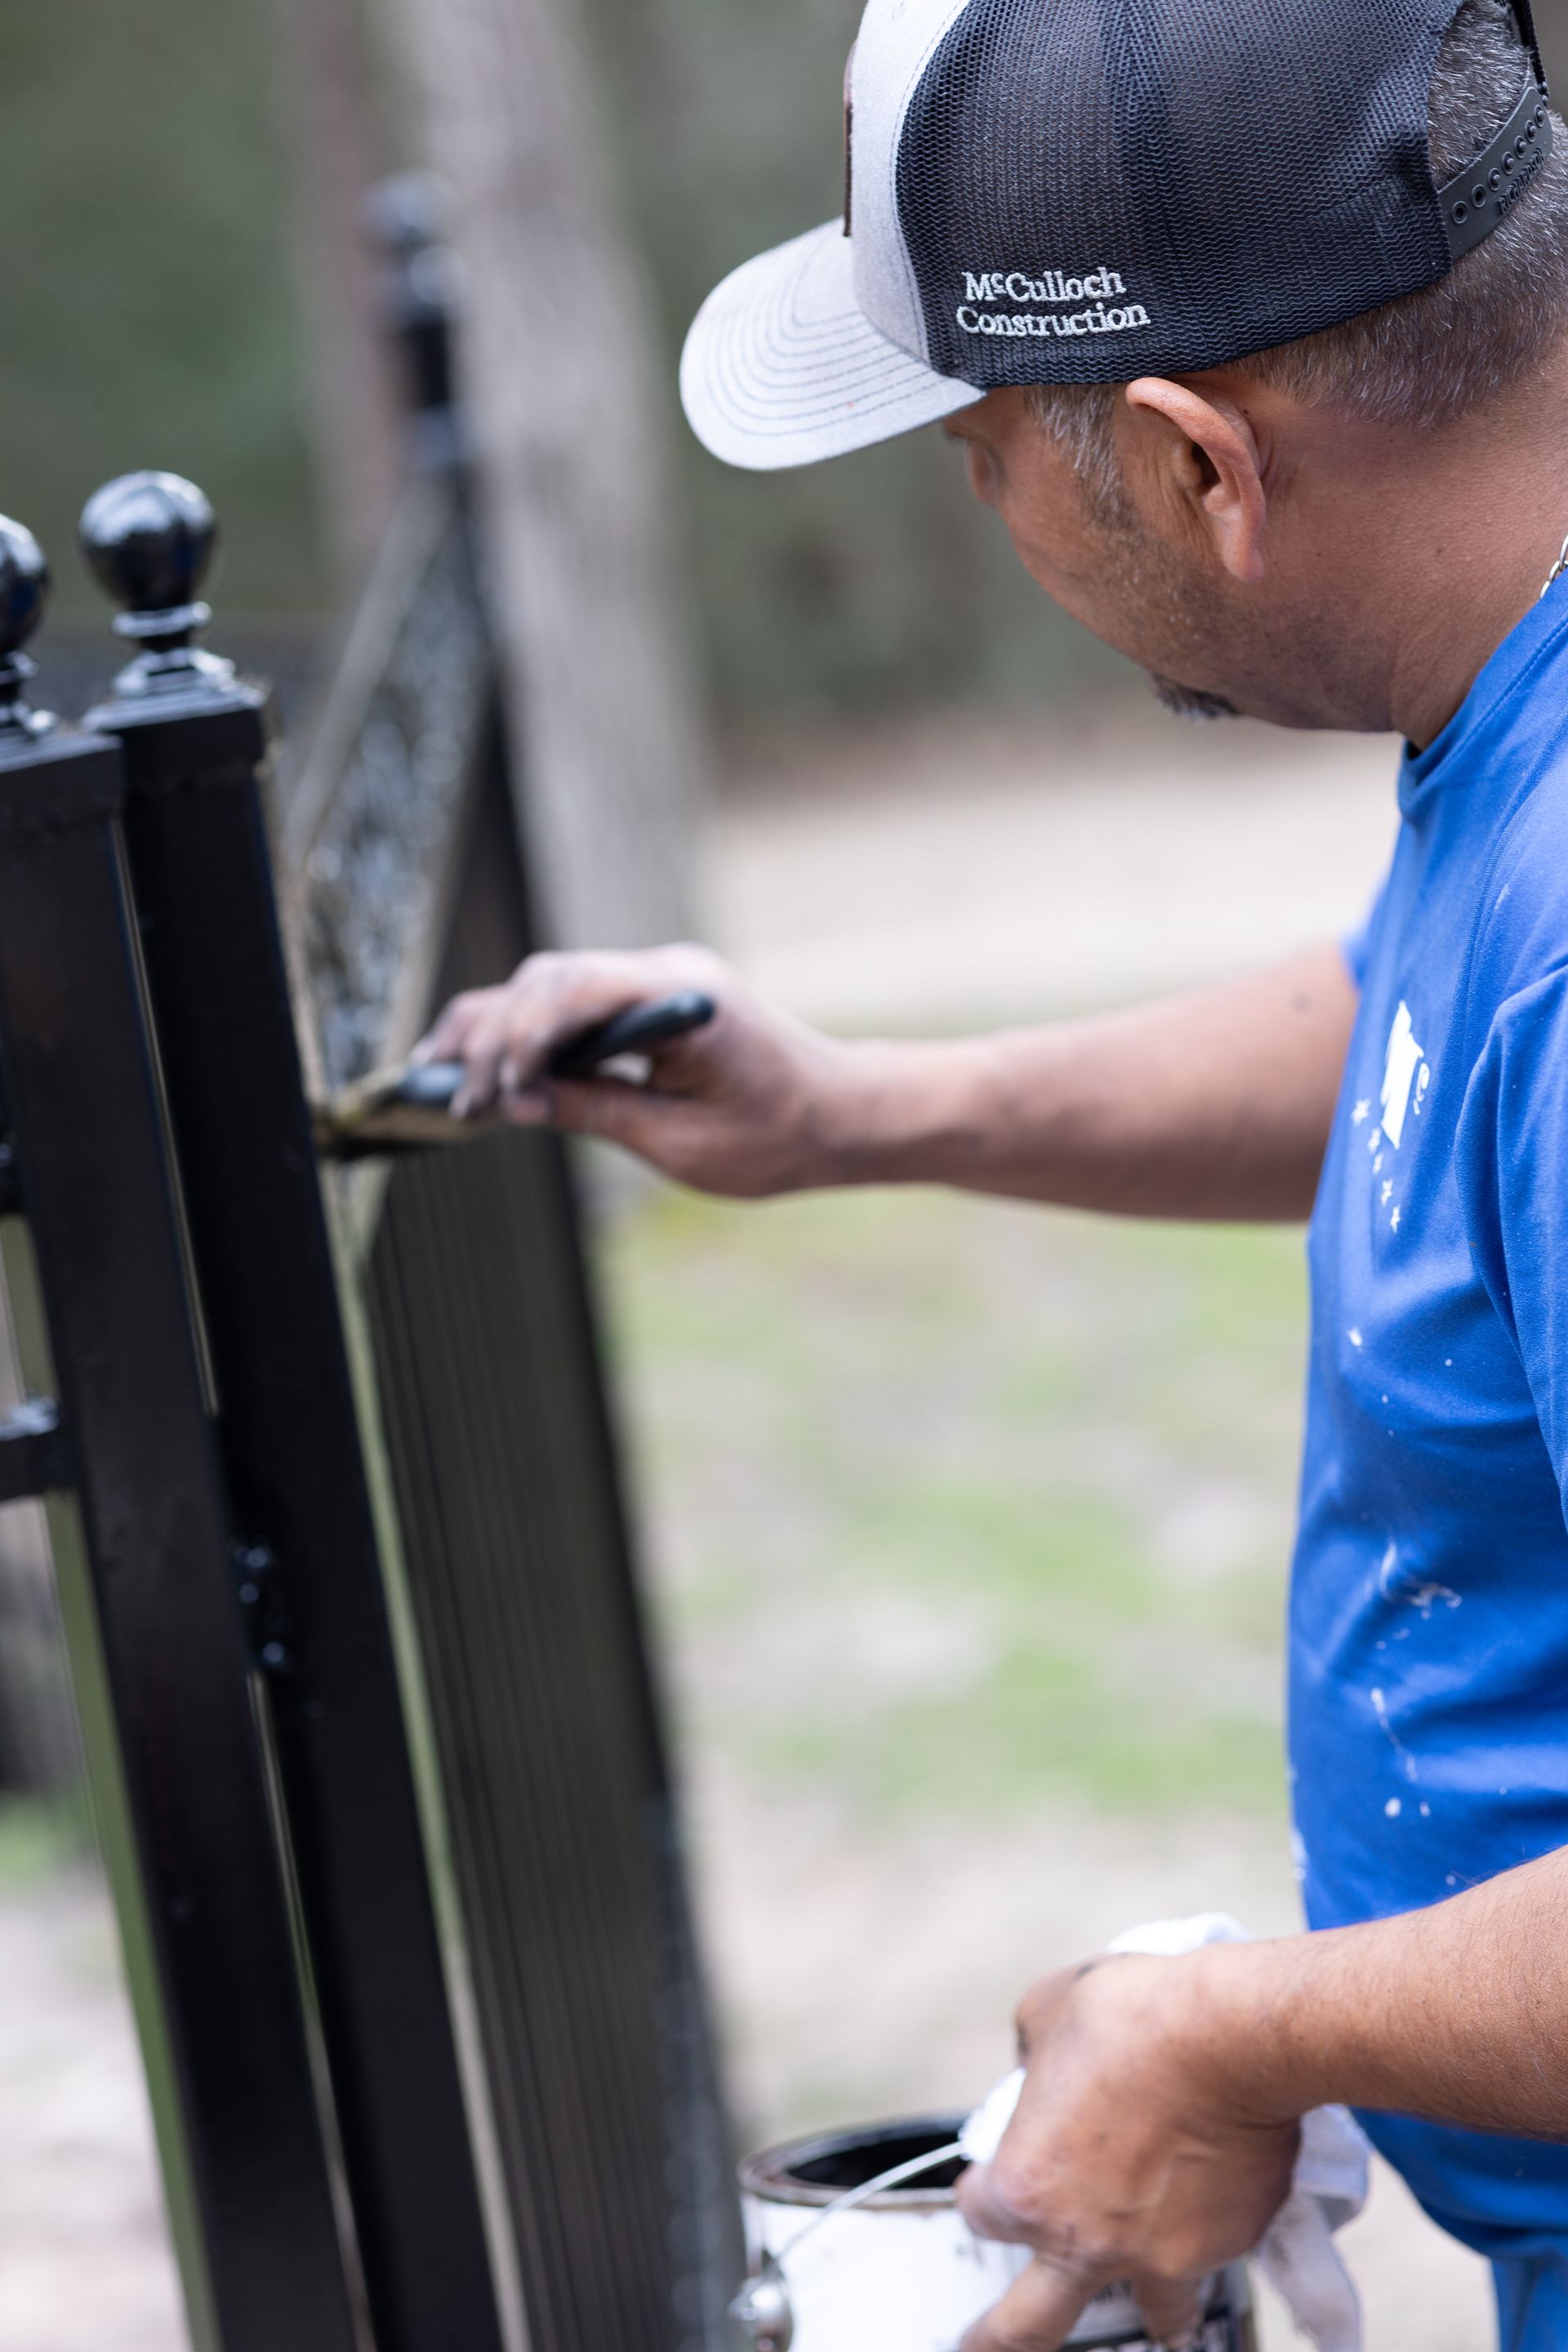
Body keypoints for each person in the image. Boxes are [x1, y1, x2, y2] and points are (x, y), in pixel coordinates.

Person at [419, 0, 1568, 2342]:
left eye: (974, 444)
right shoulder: (1513, 741)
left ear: (1192, 466)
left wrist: (1244, 2035)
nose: (981, 500)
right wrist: (864, 1110)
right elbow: (1411, 1038)